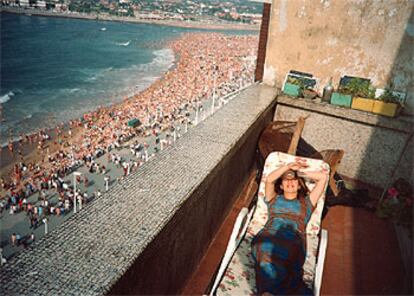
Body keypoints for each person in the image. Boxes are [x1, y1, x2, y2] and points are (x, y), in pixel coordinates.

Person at [251, 160, 328, 295]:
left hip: (292, 239)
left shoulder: (307, 203)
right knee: (265, 253)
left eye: (294, 180)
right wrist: (287, 167)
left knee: (284, 257)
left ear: (299, 186)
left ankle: (267, 292)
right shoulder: (273, 199)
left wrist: (298, 172)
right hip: (269, 235)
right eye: (286, 180)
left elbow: (323, 178)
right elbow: (269, 180)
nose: (290, 182)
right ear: (281, 185)